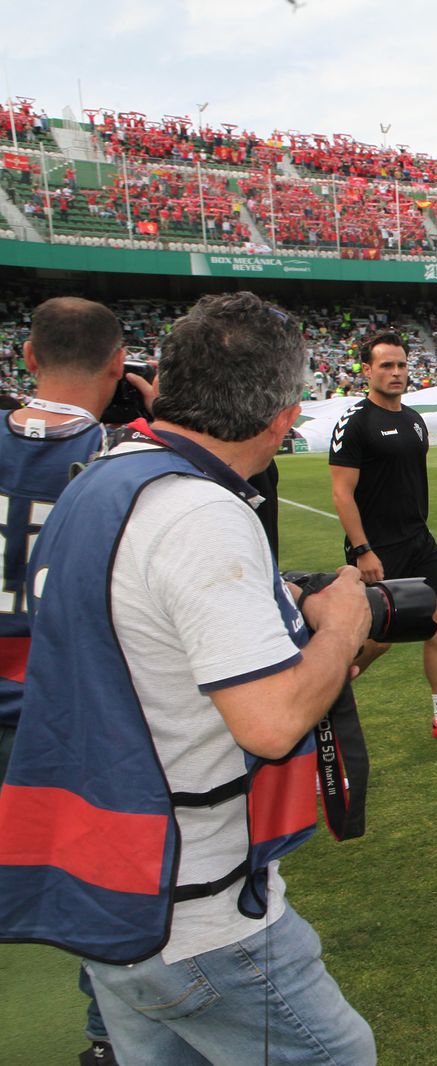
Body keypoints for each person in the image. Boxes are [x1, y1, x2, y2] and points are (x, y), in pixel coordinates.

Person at [0, 292, 376, 1065]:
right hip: (191, 903)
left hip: (112, 882)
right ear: (283, 416)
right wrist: (340, 628)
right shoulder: (196, 512)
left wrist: (288, 601)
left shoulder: (104, 476)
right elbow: (270, 722)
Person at [0, 298, 125, 1066]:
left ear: (29, 359)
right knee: (102, 875)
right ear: (119, 366)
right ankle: (108, 1040)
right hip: (63, 703)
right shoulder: (117, 455)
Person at [329, 332, 437, 739]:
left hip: (419, 540)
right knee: (377, 639)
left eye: (401, 365)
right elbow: (341, 493)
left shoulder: (414, 420)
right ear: (367, 371)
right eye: (386, 365)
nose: (396, 372)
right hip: (377, 547)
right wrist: (363, 549)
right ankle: (319, 696)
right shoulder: (355, 422)